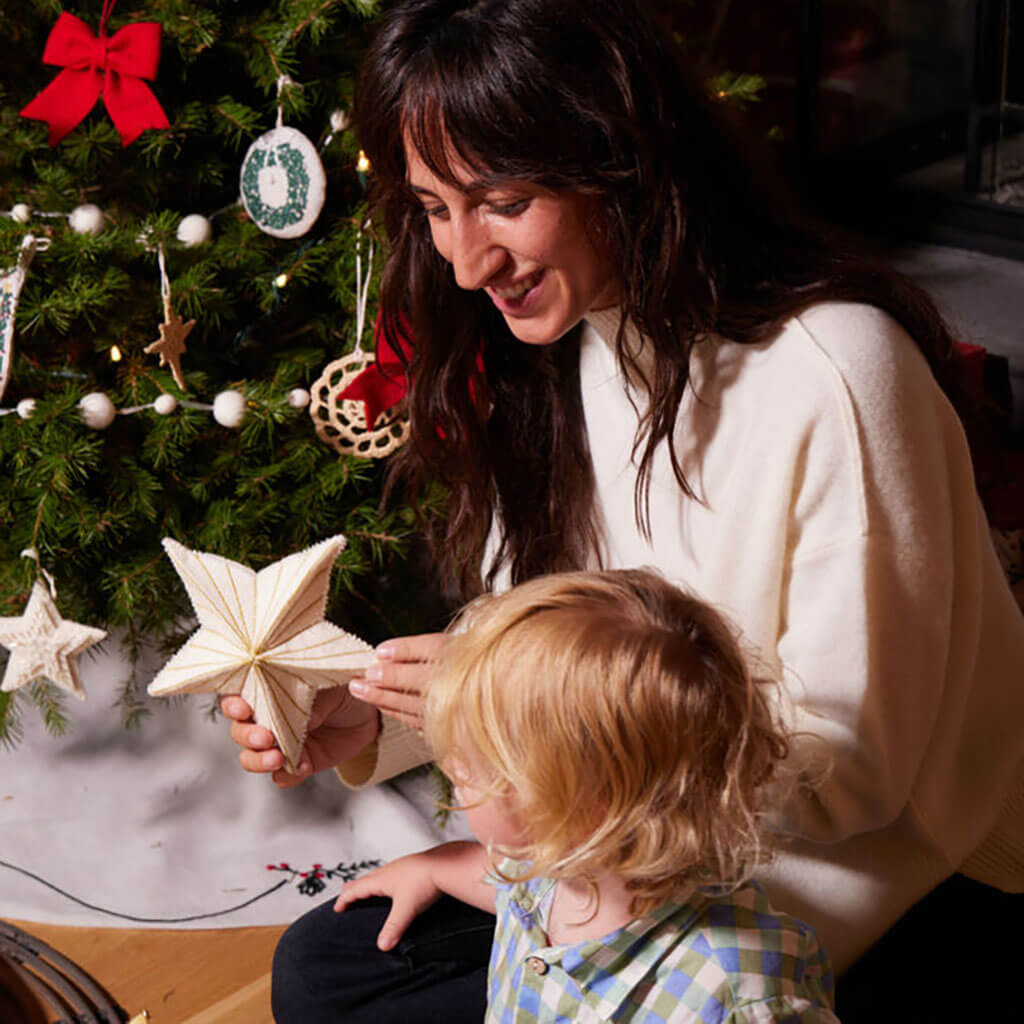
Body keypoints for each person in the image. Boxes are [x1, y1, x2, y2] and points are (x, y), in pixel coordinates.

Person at [220, 0, 1024, 1020]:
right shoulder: (562, 351)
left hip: (873, 877)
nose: (467, 262)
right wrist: (371, 715)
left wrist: (506, 708)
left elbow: (854, 782)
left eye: (501, 201)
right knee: (329, 966)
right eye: (433, 208)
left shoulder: (837, 373)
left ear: (619, 159)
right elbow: (542, 651)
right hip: (636, 851)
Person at [334, 568, 840, 1023]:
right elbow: (511, 888)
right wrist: (433, 867)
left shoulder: (738, 991)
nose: (449, 765)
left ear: (581, 807)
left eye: (472, 765)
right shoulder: (558, 868)